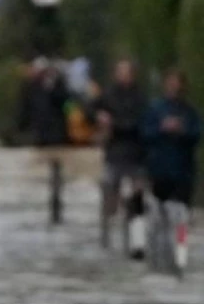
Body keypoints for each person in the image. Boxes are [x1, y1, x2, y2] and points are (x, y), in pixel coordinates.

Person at [87, 60, 149, 256]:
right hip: (113, 154)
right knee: (109, 193)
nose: (124, 76)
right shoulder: (108, 95)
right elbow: (87, 109)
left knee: (137, 197)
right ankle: (106, 235)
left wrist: (116, 125)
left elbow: (140, 122)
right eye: (120, 72)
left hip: (136, 153)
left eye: (127, 72)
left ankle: (137, 242)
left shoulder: (140, 98)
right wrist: (99, 117)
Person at [18, 57, 72, 223]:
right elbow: (26, 109)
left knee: (56, 174)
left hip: (57, 137)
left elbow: (66, 104)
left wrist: (53, 88)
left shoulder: (59, 86)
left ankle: (56, 205)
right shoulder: (32, 87)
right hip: (40, 136)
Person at [142, 69, 201, 209]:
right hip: (158, 171)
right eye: (171, 84)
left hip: (183, 172)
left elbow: (197, 135)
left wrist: (182, 130)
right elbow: (145, 134)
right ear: (165, 85)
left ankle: (181, 232)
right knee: (159, 213)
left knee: (181, 215)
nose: (174, 88)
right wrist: (162, 128)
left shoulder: (190, 112)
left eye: (177, 84)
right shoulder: (154, 109)